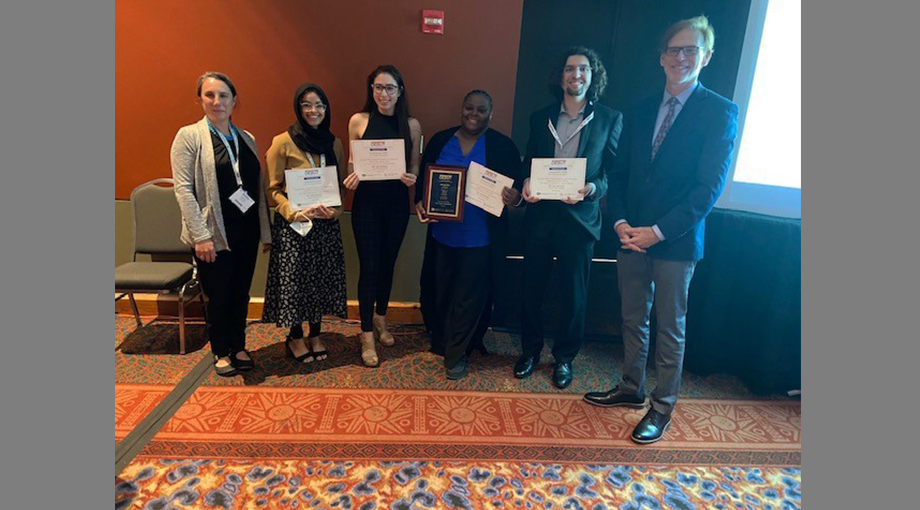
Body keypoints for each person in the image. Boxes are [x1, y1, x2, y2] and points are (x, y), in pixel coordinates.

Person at [583, 15, 740, 444]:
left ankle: (662, 406)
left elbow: (708, 188)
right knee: (633, 318)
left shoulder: (721, 112)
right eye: (674, 49)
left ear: (706, 58)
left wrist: (657, 230)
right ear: (661, 57)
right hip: (629, 235)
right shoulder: (640, 108)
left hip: (676, 240)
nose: (681, 57)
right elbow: (622, 170)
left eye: (691, 50)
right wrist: (619, 222)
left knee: (670, 327)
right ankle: (631, 388)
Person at [515, 47, 623, 389]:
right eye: (570, 69)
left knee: (573, 294)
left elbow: (612, 173)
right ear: (560, 76)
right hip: (540, 218)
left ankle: (564, 358)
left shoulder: (608, 118)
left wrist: (591, 187)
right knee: (531, 288)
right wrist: (527, 181)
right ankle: (530, 351)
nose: (576, 75)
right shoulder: (539, 117)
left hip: (580, 219)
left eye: (583, 69)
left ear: (593, 77)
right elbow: (528, 161)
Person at [415, 90, 523, 379]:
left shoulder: (503, 146)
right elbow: (424, 179)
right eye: (469, 108)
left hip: (481, 239)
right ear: (461, 109)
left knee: (469, 297)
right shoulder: (440, 140)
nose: (473, 114)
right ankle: (443, 341)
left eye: (481, 110)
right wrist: (420, 202)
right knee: (442, 292)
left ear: (491, 113)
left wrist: (514, 198)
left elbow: (517, 194)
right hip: (442, 234)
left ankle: (456, 354)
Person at [171, 72, 272, 376]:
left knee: (241, 292)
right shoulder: (189, 137)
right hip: (213, 232)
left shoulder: (247, 138)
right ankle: (221, 350)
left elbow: (256, 185)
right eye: (210, 95)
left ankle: (239, 345)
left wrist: (264, 230)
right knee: (219, 293)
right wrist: (200, 236)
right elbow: (183, 189)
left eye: (224, 95)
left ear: (234, 100)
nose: (217, 102)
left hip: (246, 230)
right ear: (200, 99)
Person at [262, 83, 348, 364]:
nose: (314, 111)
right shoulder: (282, 142)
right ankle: (295, 336)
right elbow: (272, 188)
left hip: (324, 226)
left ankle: (316, 333)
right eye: (307, 105)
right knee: (296, 283)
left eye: (320, 105)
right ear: (298, 108)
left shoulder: (334, 143)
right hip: (295, 227)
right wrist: (292, 212)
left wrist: (333, 212)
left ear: (327, 109)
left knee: (321, 281)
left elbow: (340, 190)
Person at [344, 65, 422, 367]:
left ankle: (380, 319)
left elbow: (415, 164)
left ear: (399, 91)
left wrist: (412, 178)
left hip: (396, 205)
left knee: (388, 264)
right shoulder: (358, 121)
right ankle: (365, 334)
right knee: (369, 267)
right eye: (378, 87)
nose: (383, 94)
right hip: (366, 205)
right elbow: (352, 164)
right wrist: (351, 177)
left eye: (389, 88)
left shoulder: (411, 124)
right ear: (371, 90)